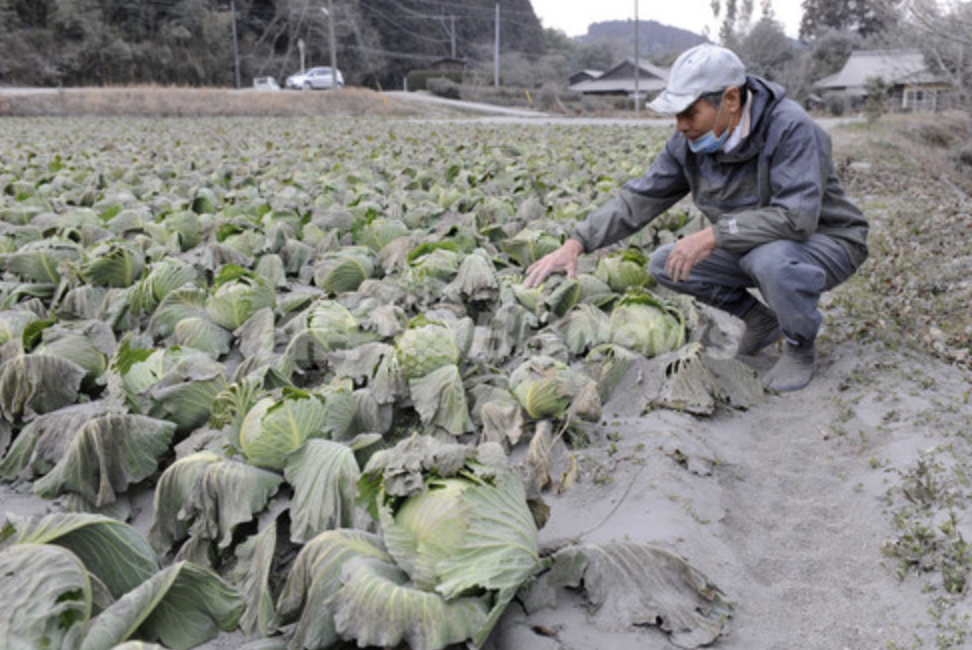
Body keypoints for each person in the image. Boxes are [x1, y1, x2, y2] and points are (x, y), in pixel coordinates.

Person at [524, 44, 868, 392]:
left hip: (827, 241)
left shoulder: (791, 128)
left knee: (771, 261)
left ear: (731, 99)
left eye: (689, 112)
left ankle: (799, 344)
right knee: (665, 262)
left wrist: (712, 236)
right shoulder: (687, 143)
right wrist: (577, 241)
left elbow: (797, 217)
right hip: (751, 241)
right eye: (675, 114)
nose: (680, 125)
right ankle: (759, 319)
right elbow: (640, 197)